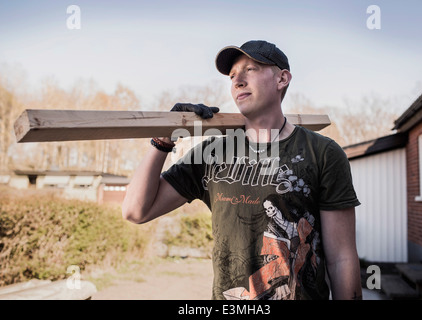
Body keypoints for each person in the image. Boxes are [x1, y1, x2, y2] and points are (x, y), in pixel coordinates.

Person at [122, 40, 362, 300]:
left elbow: (342, 258)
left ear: (282, 78)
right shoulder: (210, 153)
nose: (238, 81)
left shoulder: (322, 153)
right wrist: (163, 139)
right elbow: (136, 211)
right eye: (233, 75)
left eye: (251, 69)